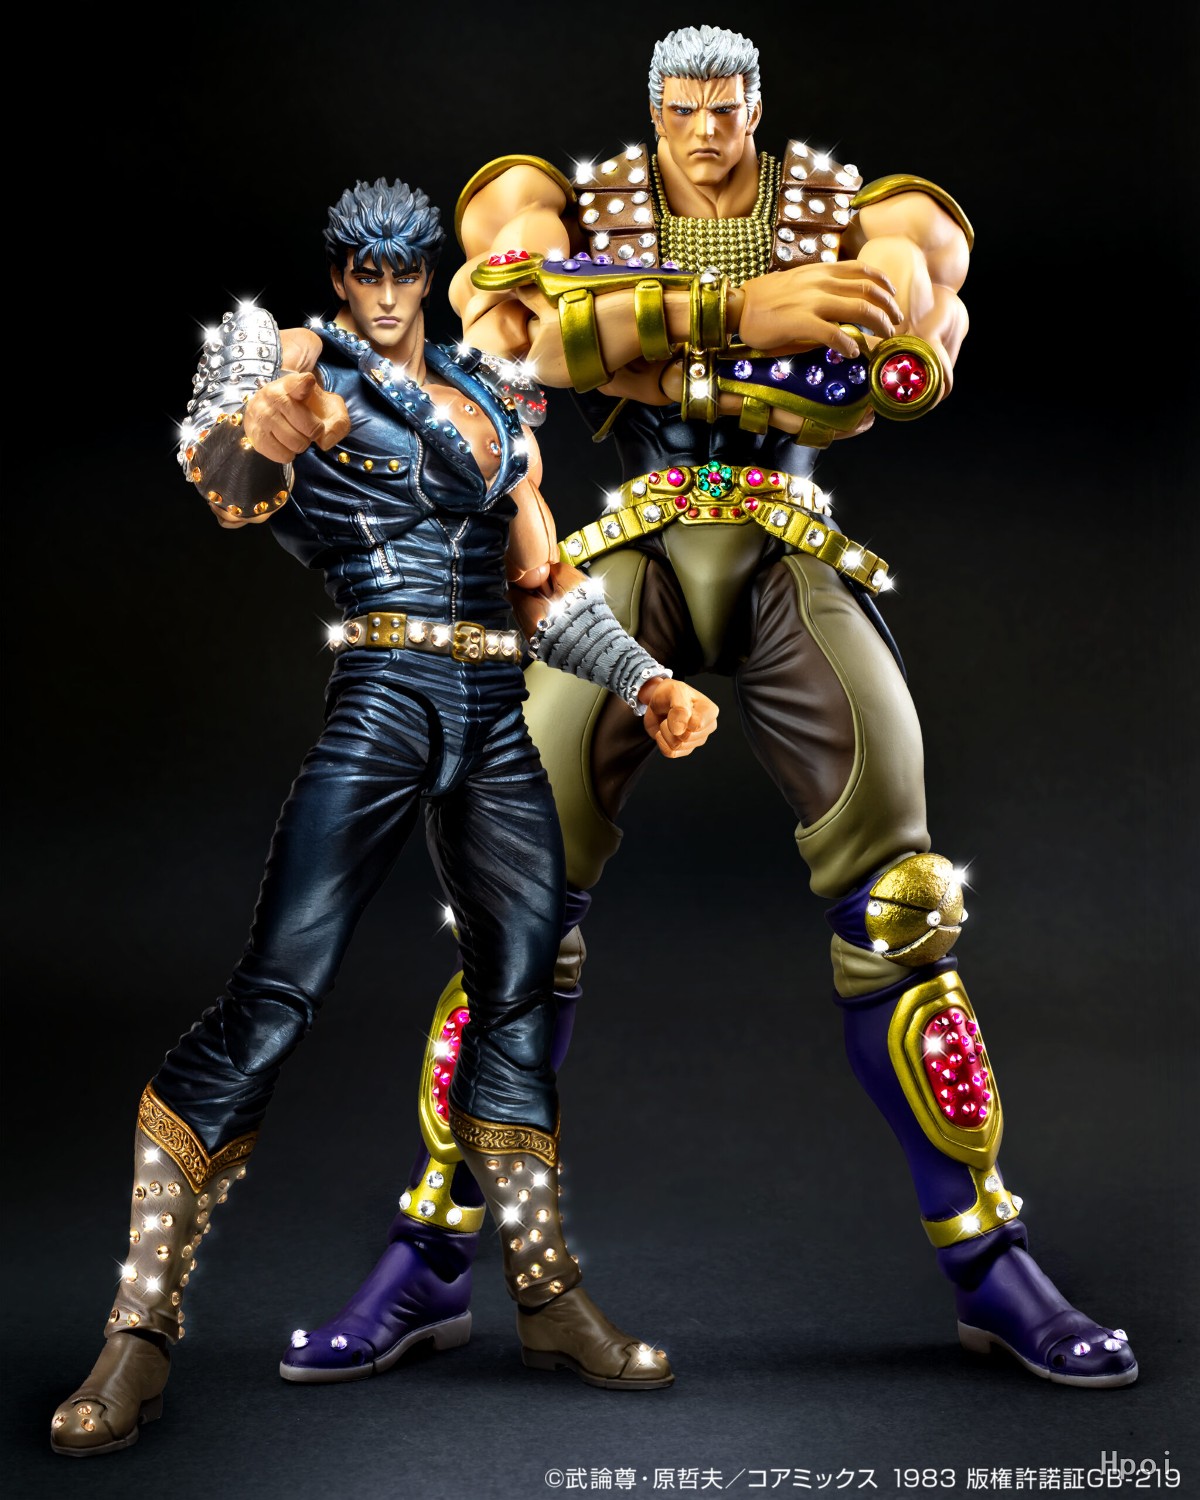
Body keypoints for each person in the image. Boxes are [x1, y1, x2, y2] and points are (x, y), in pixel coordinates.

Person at [281, 29, 1137, 1391]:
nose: (702, 133)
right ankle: (431, 1254)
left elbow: (889, 372)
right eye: (681, 110)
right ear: (654, 109)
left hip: (790, 547)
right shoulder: (556, 200)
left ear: (754, 107)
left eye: (723, 110)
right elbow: (507, 342)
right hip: (634, 555)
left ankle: (991, 1262)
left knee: (905, 903)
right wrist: (753, 318)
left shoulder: (864, 212)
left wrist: (635, 334)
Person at [49, 176, 720, 1457]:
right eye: (368, 270)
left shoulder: (493, 402)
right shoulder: (301, 362)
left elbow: (540, 584)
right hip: (384, 694)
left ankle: (547, 1297)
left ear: (427, 275)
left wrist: (644, 681)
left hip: (493, 709)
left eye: (407, 268)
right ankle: (137, 1331)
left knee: (522, 990)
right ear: (342, 274)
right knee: (276, 993)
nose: (391, 290)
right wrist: (268, 419)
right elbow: (228, 478)